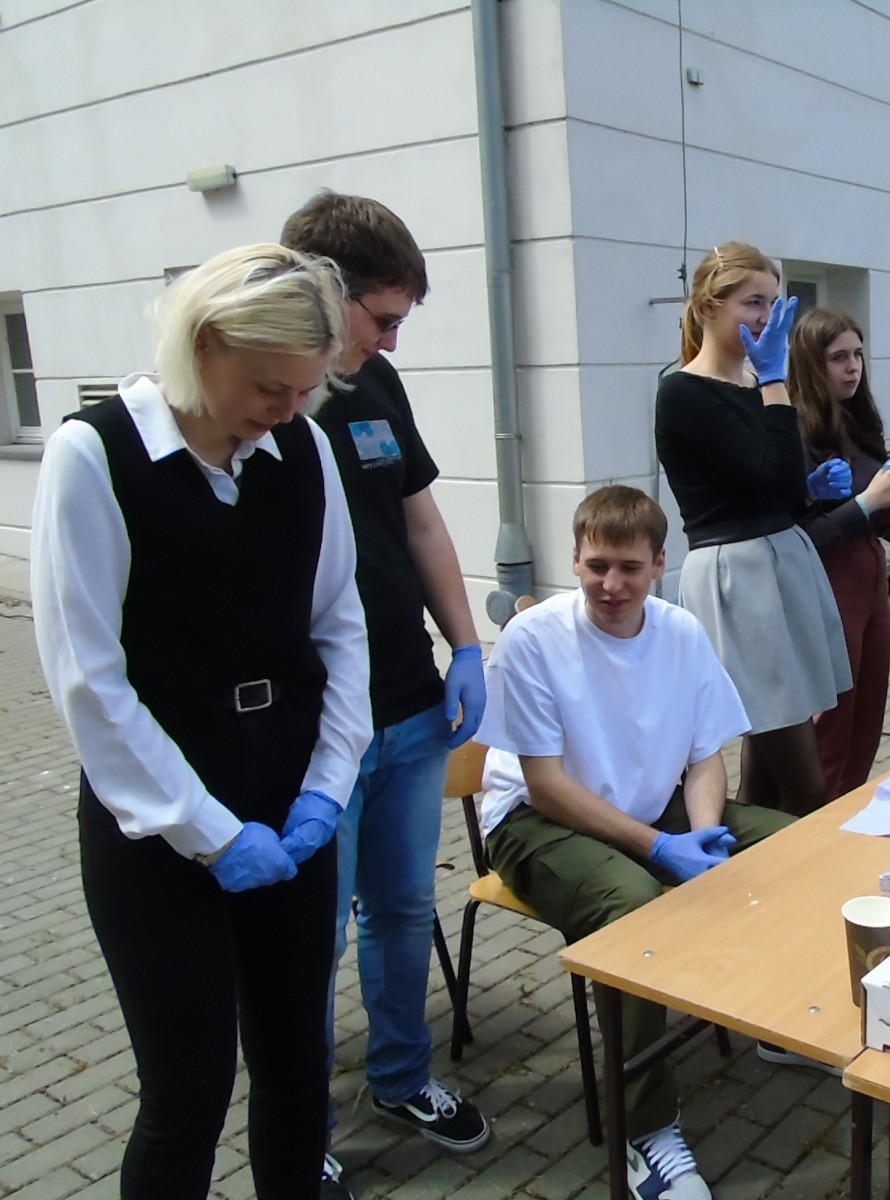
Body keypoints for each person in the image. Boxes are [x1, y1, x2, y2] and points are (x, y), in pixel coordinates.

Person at [31, 244, 372, 1200]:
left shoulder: (302, 448)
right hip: (157, 819)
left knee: (296, 1066)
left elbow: (340, 624)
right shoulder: (93, 455)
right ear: (206, 343)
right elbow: (89, 681)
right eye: (269, 387)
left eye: (305, 391)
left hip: (290, 799)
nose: (288, 411)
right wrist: (209, 832)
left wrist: (327, 786)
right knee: (188, 1088)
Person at [475, 486, 793, 1200]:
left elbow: (705, 756)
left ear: (658, 564)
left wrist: (703, 835)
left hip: (651, 808)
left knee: (792, 850)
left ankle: (781, 1024)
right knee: (634, 907)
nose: (611, 585)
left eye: (628, 567)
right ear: (574, 561)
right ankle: (645, 1129)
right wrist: (658, 847)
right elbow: (546, 786)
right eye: (596, 567)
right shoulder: (534, 638)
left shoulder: (680, 631)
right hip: (533, 821)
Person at [279, 193, 490, 1187]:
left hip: (406, 705)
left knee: (403, 909)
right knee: (309, 937)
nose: (392, 339)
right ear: (323, 291)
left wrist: (466, 645)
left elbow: (420, 521)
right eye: (383, 317)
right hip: (308, 725)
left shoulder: (377, 383)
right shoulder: (267, 396)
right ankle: (299, 1127)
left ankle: (402, 1078)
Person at [655, 243, 852, 816]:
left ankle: (748, 863)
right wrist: (774, 382)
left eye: (773, 301)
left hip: (777, 562)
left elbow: (774, 484)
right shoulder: (684, 391)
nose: (767, 316)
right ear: (708, 306)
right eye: (753, 302)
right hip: (737, 578)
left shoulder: (752, 383)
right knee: (807, 785)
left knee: (766, 772)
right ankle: (798, 867)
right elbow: (769, 479)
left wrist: (810, 487)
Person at [787, 307, 890, 799]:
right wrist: (866, 502)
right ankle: (813, 822)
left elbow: (880, 513)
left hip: (869, 575)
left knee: (867, 714)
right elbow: (801, 536)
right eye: (838, 357)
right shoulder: (796, 430)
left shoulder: (858, 422)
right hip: (829, 582)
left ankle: (844, 809)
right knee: (832, 721)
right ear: (811, 364)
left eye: (857, 354)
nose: (853, 367)